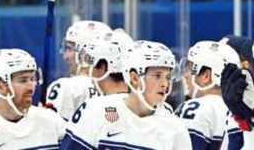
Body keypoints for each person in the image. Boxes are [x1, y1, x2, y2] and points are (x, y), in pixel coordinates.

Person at [60, 40, 191, 149]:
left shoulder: (175, 129)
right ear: (134, 78)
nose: (165, 84)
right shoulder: (95, 110)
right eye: (157, 76)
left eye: (168, 77)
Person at [176, 41, 241, 150]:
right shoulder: (241, 110)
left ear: (206, 76)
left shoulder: (197, 107)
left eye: (190, 68)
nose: (186, 74)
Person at [45, 20, 112, 121]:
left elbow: (53, 133)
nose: (65, 56)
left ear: (87, 52)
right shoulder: (117, 88)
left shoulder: (65, 87)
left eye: (69, 48)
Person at [76, 28, 133, 98]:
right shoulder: (142, 106)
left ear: (102, 67)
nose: (88, 71)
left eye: (91, 63)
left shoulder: (92, 106)